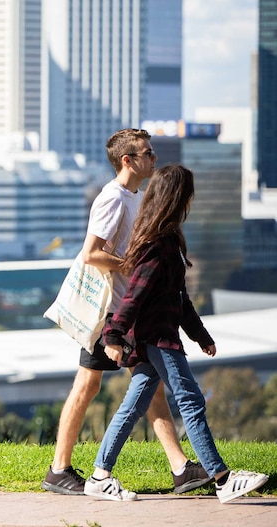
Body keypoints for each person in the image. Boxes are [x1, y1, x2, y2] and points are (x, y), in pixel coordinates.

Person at [84, 165, 269, 502]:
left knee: (133, 406)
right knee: (191, 400)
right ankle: (222, 479)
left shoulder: (168, 239)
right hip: (157, 337)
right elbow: (133, 296)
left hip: (160, 334)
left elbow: (178, 297)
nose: (191, 200)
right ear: (177, 199)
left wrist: (201, 335)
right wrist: (112, 336)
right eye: (188, 195)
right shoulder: (156, 244)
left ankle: (99, 476)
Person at [42, 129, 210, 496]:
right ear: (127, 160)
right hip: (110, 314)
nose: (154, 159)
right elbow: (91, 253)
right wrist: (136, 267)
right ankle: (59, 469)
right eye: (148, 154)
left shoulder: (136, 196)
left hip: (128, 311)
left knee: (148, 386)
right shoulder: (113, 198)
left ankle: (181, 468)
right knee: (89, 385)